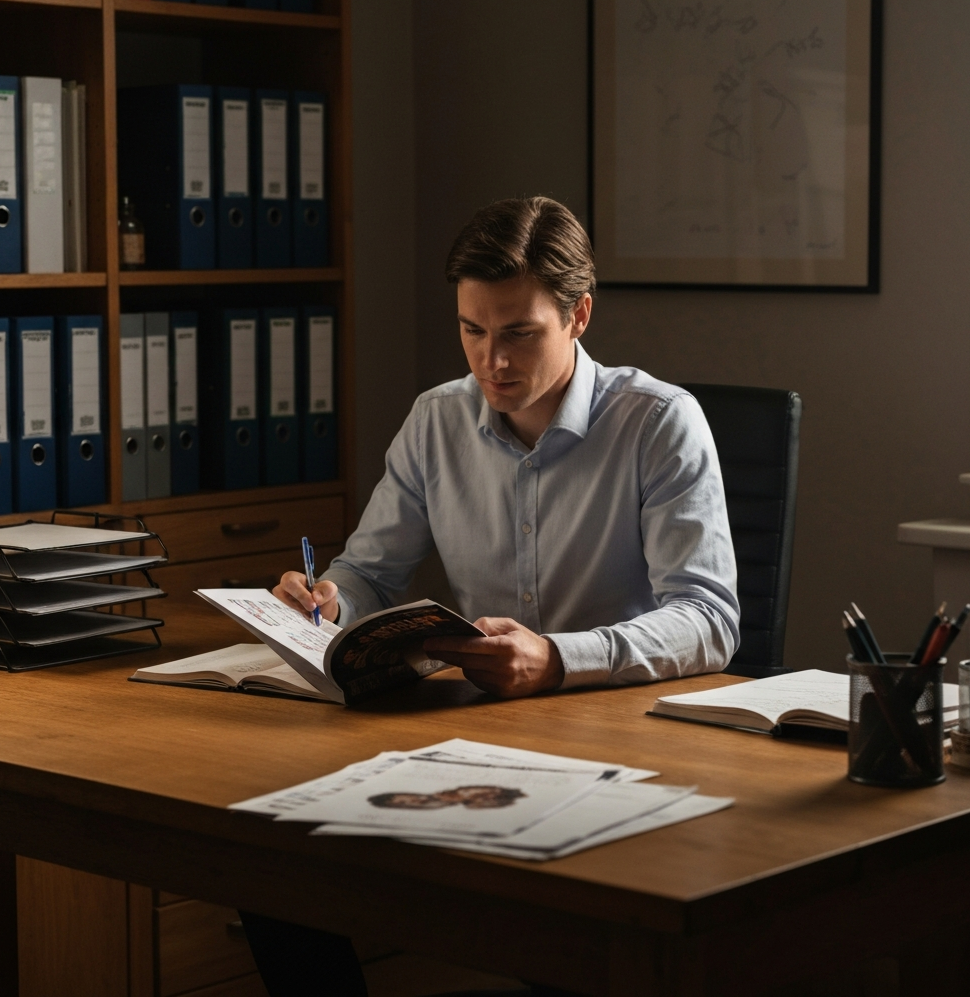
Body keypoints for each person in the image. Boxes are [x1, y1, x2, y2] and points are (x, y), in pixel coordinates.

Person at [240, 196, 740, 997]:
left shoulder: (659, 424)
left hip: (628, 746)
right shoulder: (436, 421)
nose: (491, 362)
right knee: (268, 862)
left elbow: (710, 622)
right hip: (478, 741)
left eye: (517, 333)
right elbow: (371, 572)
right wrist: (330, 601)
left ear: (579, 315)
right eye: (472, 330)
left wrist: (555, 659)